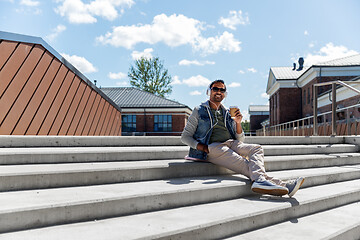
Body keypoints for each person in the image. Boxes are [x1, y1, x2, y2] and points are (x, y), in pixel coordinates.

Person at [181, 79, 304, 197]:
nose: (218, 91)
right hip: (213, 147)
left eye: (222, 90)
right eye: (215, 88)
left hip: (231, 143)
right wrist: (204, 148)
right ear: (209, 91)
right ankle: (284, 185)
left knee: (257, 148)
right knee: (246, 164)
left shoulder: (227, 113)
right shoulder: (199, 110)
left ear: (225, 94)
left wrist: (238, 123)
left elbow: (240, 140)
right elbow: (185, 137)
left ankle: (267, 183)